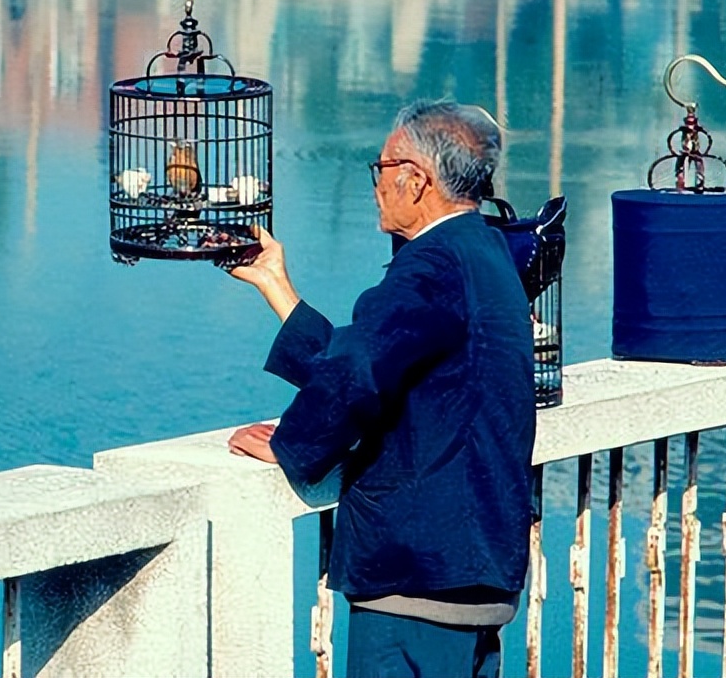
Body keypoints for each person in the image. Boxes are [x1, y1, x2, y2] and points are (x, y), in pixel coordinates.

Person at [226, 98, 536, 678]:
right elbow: (382, 362)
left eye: (382, 168)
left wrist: (292, 445)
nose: (376, 184)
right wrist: (276, 287)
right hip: (474, 564)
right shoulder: (485, 251)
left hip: (417, 578)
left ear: (416, 180)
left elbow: (361, 371)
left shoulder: (430, 265)